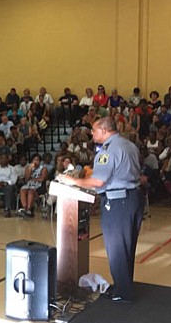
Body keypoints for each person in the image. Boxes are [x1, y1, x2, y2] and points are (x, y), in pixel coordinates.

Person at [58, 116, 143, 302]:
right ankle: (124, 284)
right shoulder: (129, 145)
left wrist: (73, 181)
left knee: (117, 247)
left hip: (117, 201)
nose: (91, 133)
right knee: (127, 245)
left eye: (94, 130)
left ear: (104, 131)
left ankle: (123, 292)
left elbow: (98, 181)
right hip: (133, 198)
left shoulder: (108, 150)